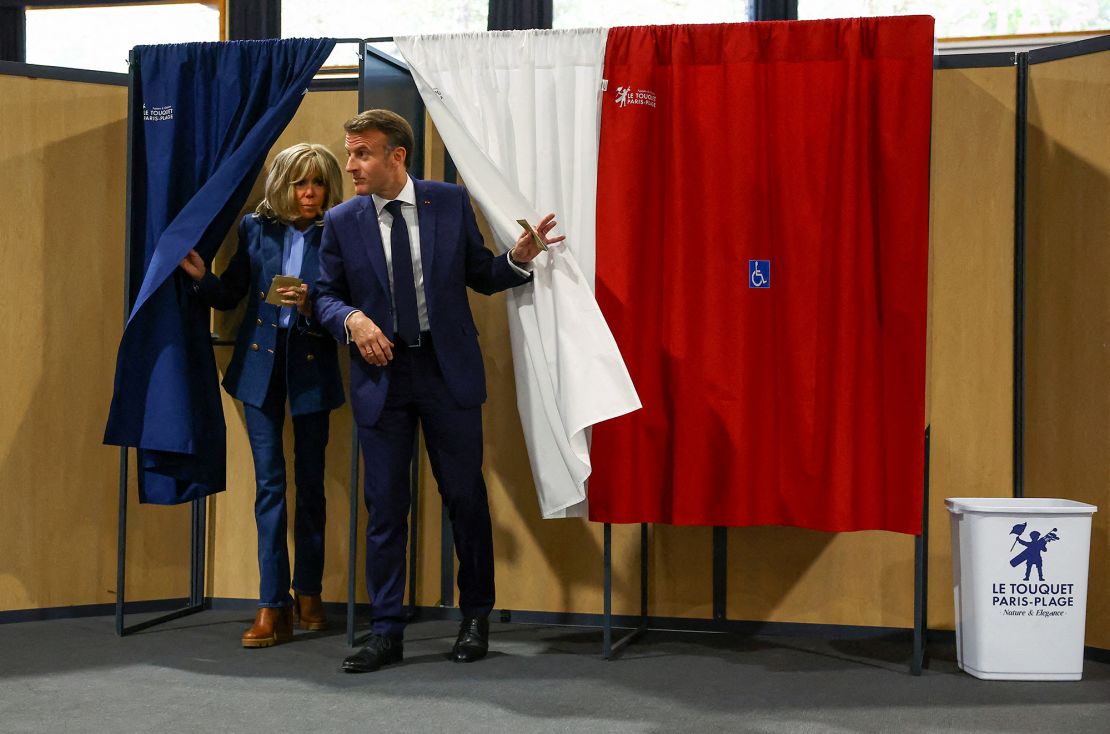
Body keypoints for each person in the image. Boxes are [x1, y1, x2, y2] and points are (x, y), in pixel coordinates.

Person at [313, 109, 563, 673]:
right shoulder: (342, 220)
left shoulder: (447, 203)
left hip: (446, 373)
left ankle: (475, 617)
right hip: (382, 378)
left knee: (465, 499)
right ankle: (385, 632)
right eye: (350, 152)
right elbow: (324, 296)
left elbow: (478, 272)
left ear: (396, 156)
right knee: (385, 509)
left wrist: (517, 261)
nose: (350, 164)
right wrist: (351, 318)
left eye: (362, 154)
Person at [179, 143, 346, 647]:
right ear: (282, 185)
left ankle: (310, 593)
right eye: (300, 182)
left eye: (317, 182)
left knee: (312, 486)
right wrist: (201, 279)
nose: (310, 192)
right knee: (270, 487)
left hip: (314, 368)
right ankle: (272, 604)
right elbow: (232, 293)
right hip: (258, 369)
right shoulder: (255, 228)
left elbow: (356, 300)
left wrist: (313, 302)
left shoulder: (340, 230)